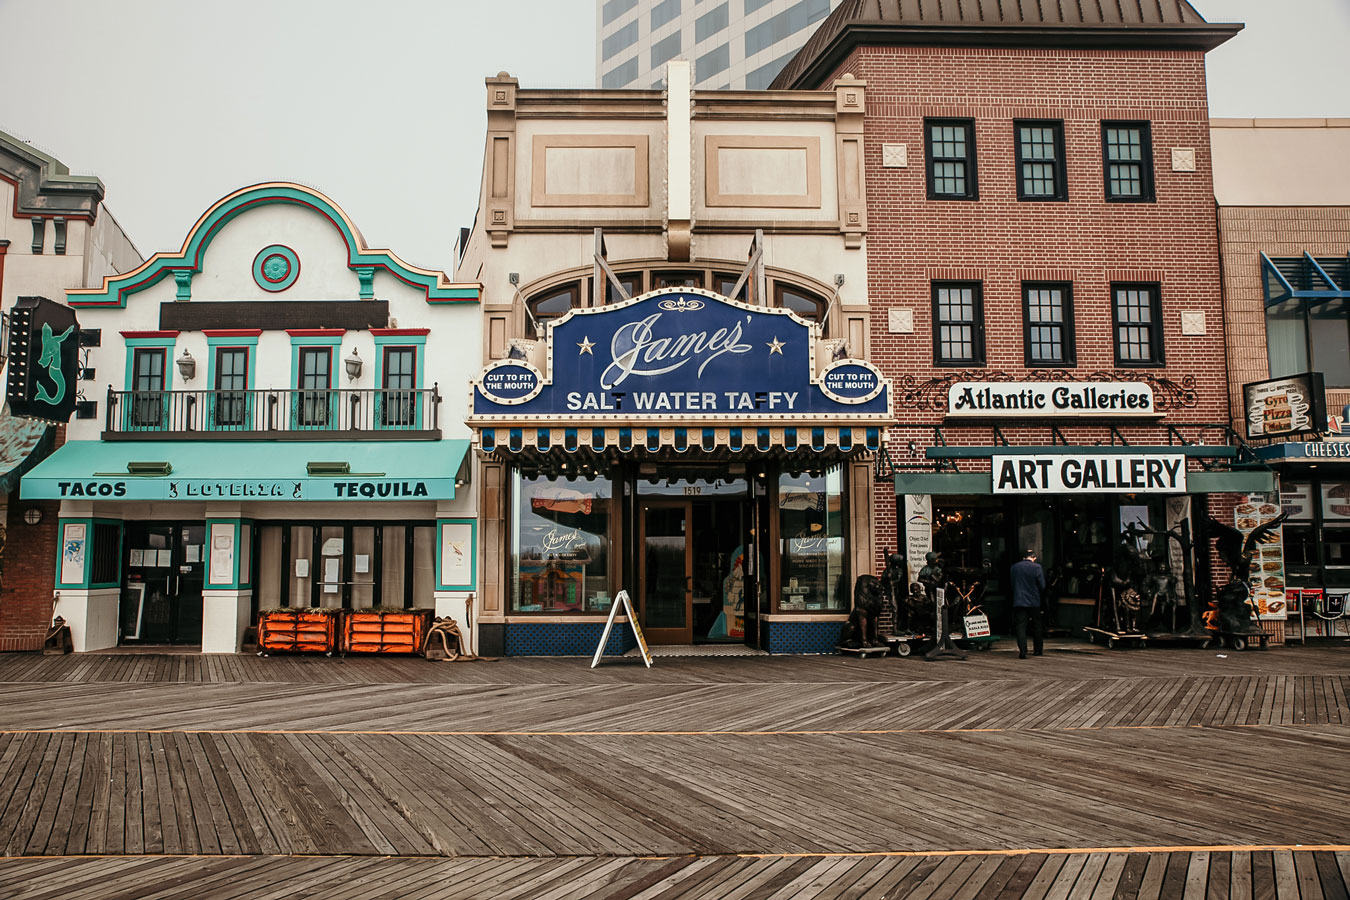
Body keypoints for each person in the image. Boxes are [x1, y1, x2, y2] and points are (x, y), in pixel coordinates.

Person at [1010, 548, 1046, 659]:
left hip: (1019, 601)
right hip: (1034, 601)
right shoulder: (1037, 567)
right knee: (1037, 626)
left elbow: (1012, 584)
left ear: (1023, 558)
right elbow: (1042, 585)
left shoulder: (1014, 567)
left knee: (1021, 626)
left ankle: (1023, 650)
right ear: (1034, 557)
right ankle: (1038, 650)